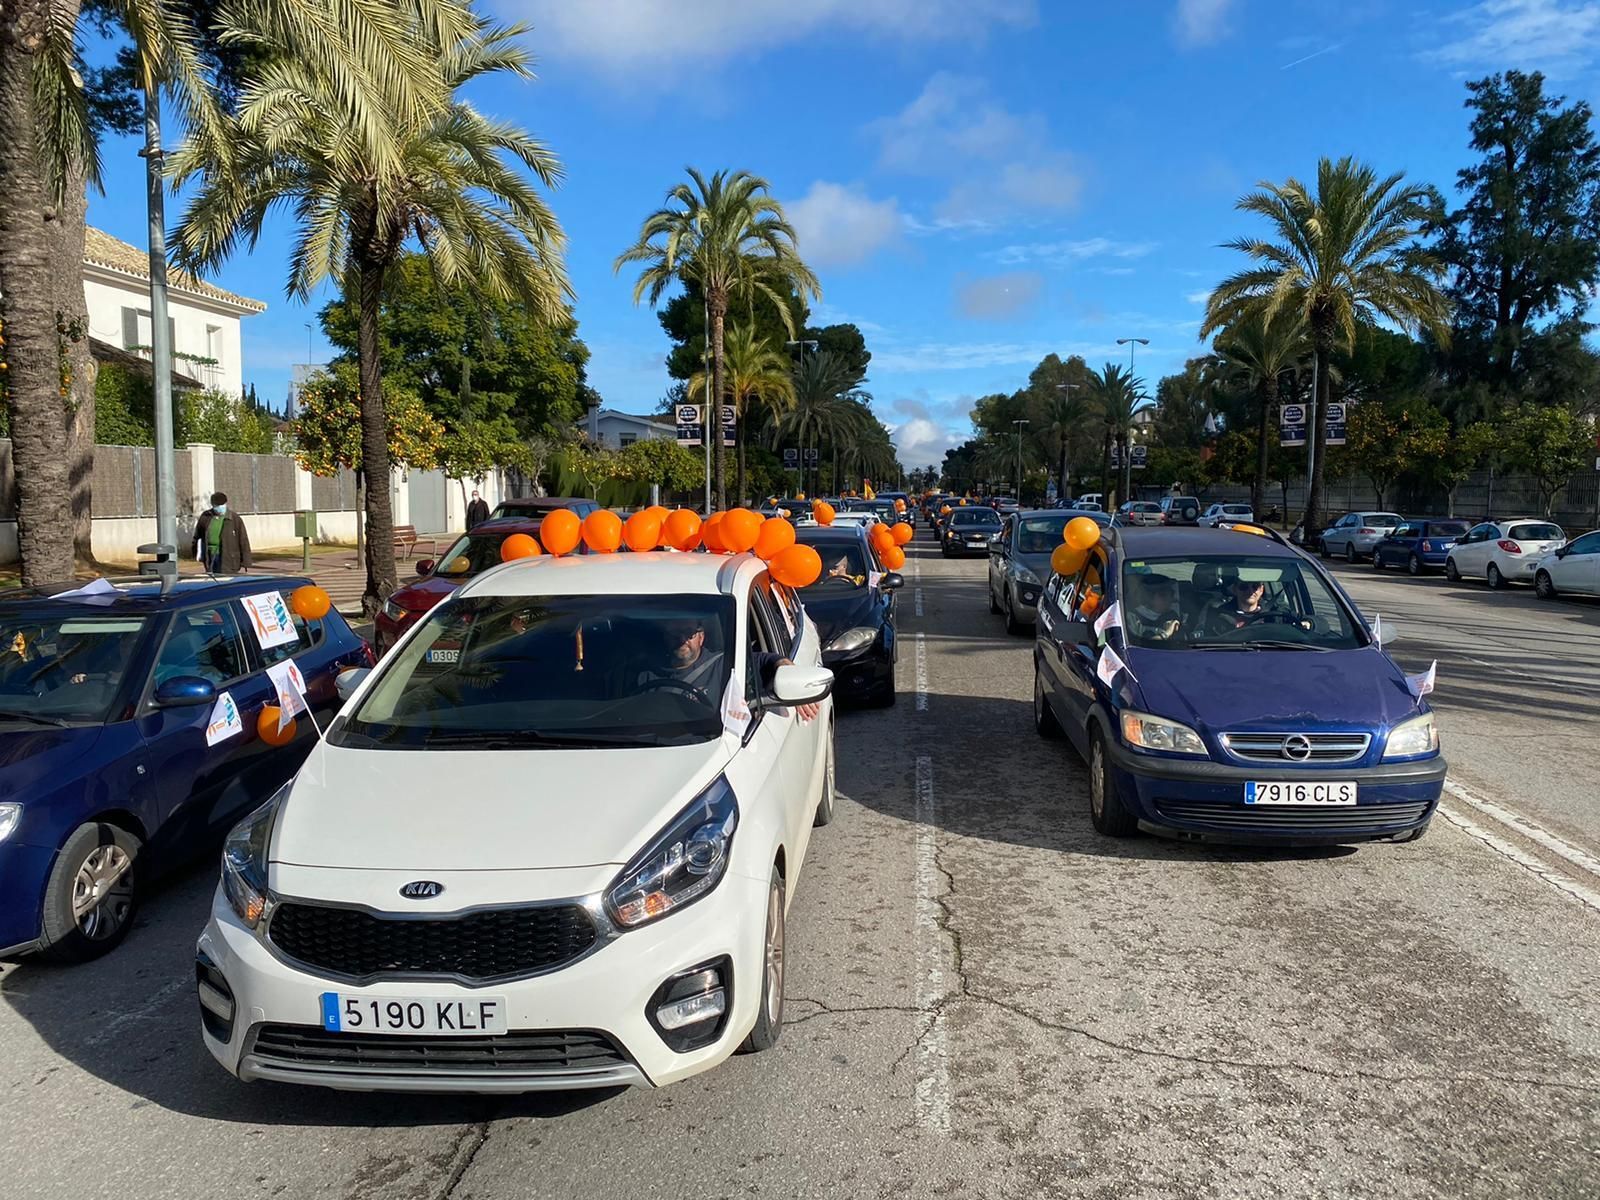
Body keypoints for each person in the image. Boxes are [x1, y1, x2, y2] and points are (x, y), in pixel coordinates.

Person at [641, 617, 819, 722]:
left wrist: (791, 678)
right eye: (673, 633)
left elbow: (771, 661)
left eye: (689, 633)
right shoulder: (644, 674)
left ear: (701, 637)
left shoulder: (726, 664)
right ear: (665, 637)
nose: (681, 640)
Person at [193, 493, 252, 574]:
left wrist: (246, 561)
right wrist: (195, 552)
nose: (220, 507)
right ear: (213, 505)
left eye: (222, 505)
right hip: (210, 555)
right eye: (217, 506)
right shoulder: (206, 516)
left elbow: (243, 539)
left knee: (226, 577)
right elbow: (197, 536)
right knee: (212, 577)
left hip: (229, 556)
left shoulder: (234, 518)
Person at [1126, 574, 1182, 644]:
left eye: (1171, 595)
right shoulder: (1132, 618)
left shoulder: (1172, 615)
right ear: (1149, 597)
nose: (1170, 600)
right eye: (1163, 595)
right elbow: (1139, 646)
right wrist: (1166, 633)